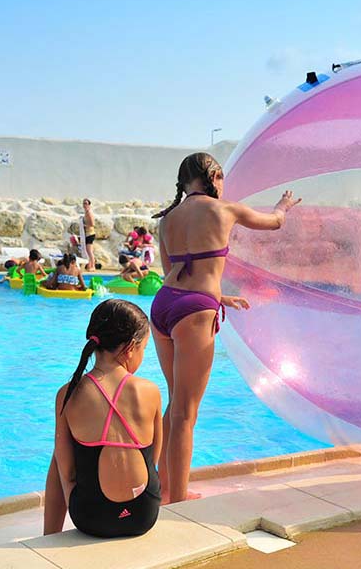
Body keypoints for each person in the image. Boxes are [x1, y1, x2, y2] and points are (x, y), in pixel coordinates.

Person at [151, 152, 299, 503]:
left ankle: (165, 487)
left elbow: (172, 270)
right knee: (187, 412)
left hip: (164, 304)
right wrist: (284, 204)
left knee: (176, 403)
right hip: (195, 311)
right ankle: (178, 498)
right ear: (213, 176)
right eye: (220, 177)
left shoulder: (167, 218)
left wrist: (220, 299)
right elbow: (274, 222)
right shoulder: (225, 209)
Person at [43, 299, 162, 537]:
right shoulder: (150, 391)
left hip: (91, 518)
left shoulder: (68, 393)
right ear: (130, 348)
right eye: (144, 349)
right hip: (143, 514)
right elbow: (153, 461)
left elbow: (66, 473)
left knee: (59, 456)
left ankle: (49, 536)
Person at [81, 199, 101, 270]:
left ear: (89, 204)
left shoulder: (89, 212)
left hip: (90, 233)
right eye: (84, 203)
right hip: (88, 233)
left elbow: (92, 224)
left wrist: (85, 225)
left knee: (89, 251)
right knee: (88, 251)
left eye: (86, 203)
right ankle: (90, 265)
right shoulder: (86, 212)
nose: (85, 205)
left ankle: (93, 266)